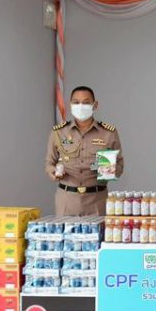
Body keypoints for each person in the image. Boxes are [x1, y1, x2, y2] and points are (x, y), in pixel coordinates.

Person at [45, 86, 123, 216]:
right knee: (65, 230)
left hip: (97, 200)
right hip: (67, 200)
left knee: (100, 230)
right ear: (70, 105)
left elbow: (120, 165)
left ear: (95, 105)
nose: (80, 106)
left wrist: (110, 170)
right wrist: (55, 172)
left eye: (86, 102)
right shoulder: (58, 132)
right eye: (76, 102)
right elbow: (49, 163)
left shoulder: (108, 133)